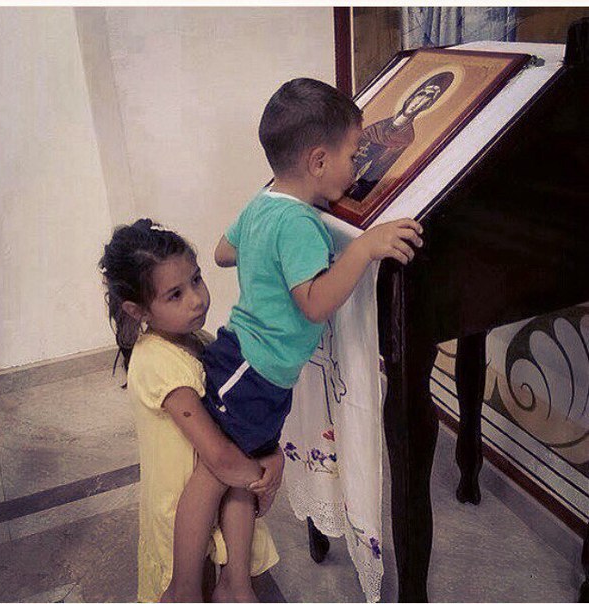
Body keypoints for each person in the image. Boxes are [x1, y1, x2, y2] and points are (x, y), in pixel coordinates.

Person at [166, 77, 425, 600]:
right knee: (214, 474)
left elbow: (222, 252)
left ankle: (235, 583)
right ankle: (183, 589)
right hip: (252, 373)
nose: (358, 165)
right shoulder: (300, 224)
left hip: (257, 369)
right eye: (353, 154)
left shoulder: (264, 204)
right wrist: (363, 248)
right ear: (318, 161)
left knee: (245, 474)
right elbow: (314, 303)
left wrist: (262, 251)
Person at [98, 219, 283, 603]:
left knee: (227, 571)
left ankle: (234, 586)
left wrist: (272, 453)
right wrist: (262, 478)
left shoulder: (198, 340)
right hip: (184, 511)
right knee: (189, 588)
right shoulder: (159, 362)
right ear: (137, 310)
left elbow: (236, 420)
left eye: (196, 280)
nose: (197, 299)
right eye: (175, 294)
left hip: (220, 498)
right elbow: (219, 456)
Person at [347, 71, 455, 201]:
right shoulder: (380, 124)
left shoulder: (407, 137)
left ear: (428, 105)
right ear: (412, 96)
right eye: (421, 94)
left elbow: (381, 170)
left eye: (428, 98)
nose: (420, 102)